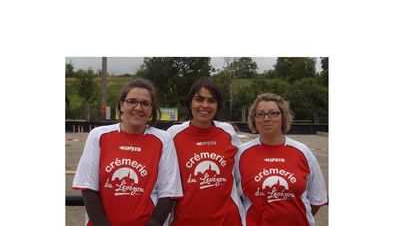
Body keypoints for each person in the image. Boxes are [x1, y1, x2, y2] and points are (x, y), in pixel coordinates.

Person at [72, 78, 183, 226]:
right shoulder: (98, 135)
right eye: (132, 101)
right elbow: (88, 187)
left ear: (151, 109)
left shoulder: (163, 139)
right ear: (121, 105)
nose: (138, 108)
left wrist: (154, 223)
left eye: (145, 103)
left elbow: (168, 192)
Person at [236, 93, 328, 226]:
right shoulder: (242, 153)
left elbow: (317, 198)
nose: (266, 118)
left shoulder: (303, 151)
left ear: (283, 117)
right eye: (260, 114)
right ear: (254, 119)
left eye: (273, 113)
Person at [167, 77, 244, 226]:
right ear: (190, 103)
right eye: (199, 99)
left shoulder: (228, 132)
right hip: (185, 220)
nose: (205, 105)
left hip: (228, 220)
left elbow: (241, 173)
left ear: (217, 105)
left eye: (211, 101)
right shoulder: (173, 134)